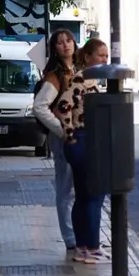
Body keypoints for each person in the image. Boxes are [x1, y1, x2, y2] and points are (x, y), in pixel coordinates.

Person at [56, 38, 110, 264]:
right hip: (83, 140)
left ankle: (84, 247)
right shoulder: (82, 81)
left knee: (85, 196)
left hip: (84, 141)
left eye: (106, 56)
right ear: (87, 57)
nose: (104, 60)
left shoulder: (88, 80)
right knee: (93, 195)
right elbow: (62, 107)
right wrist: (70, 134)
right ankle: (90, 247)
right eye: (101, 55)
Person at [33, 29, 78, 253]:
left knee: (78, 188)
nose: (66, 45)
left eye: (68, 40)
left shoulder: (78, 70)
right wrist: (61, 130)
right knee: (66, 188)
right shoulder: (55, 76)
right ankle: (70, 237)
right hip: (64, 138)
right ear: (55, 48)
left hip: (78, 136)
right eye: (60, 43)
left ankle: (78, 234)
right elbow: (40, 107)